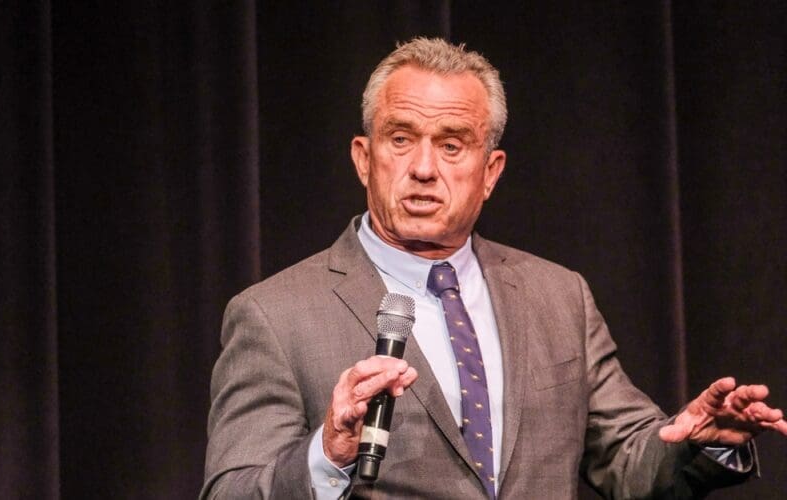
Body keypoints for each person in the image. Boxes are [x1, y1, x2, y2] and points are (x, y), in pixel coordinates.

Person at [201, 38, 786, 499]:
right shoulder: (274, 316)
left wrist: (700, 447)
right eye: (401, 138)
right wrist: (325, 454)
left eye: (453, 145)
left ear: (491, 171)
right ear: (363, 158)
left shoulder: (559, 296)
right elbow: (232, 491)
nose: (424, 168)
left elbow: (627, 463)